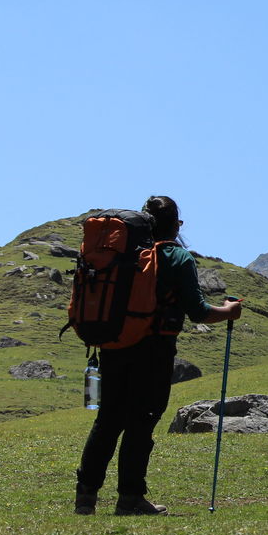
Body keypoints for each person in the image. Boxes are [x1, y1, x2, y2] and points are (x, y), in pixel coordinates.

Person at [74, 196, 243, 516]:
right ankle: (130, 498)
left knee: (107, 421)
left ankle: (86, 496)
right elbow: (198, 312)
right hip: (153, 351)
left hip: (113, 345)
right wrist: (229, 311)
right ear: (176, 225)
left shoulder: (124, 255)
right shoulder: (176, 257)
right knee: (141, 423)